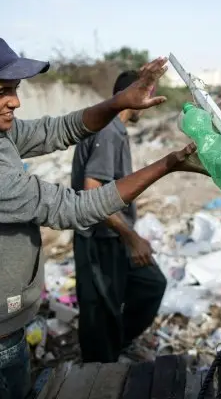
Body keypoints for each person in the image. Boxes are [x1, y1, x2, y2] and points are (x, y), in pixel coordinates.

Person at [0, 34, 196, 399]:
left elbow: (57, 130)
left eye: (15, 89)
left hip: (0, 323)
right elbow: (74, 208)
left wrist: (118, 102)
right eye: (2, 92)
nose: (15, 101)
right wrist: (170, 163)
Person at [70, 70, 167, 364]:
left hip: (115, 235)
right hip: (99, 239)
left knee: (151, 284)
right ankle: (98, 375)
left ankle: (117, 345)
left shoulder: (116, 130)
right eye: (148, 94)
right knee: (99, 310)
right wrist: (132, 237)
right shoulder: (108, 131)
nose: (151, 102)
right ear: (133, 94)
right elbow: (92, 193)